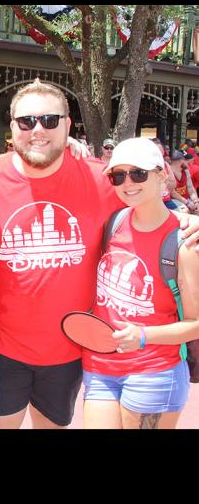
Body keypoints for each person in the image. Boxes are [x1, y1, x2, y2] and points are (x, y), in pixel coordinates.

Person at [0, 78, 199, 429]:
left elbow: (146, 203)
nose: (38, 129)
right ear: (13, 127)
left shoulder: (102, 179)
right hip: (2, 348)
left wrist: (185, 219)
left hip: (72, 348)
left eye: (50, 120)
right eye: (27, 121)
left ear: (67, 125)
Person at [83, 138, 199, 429]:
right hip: (100, 367)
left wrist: (144, 335)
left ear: (161, 175)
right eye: (118, 175)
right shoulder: (113, 222)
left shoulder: (184, 242)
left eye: (138, 173)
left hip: (154, 370)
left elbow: (196, 324)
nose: (128, 183)